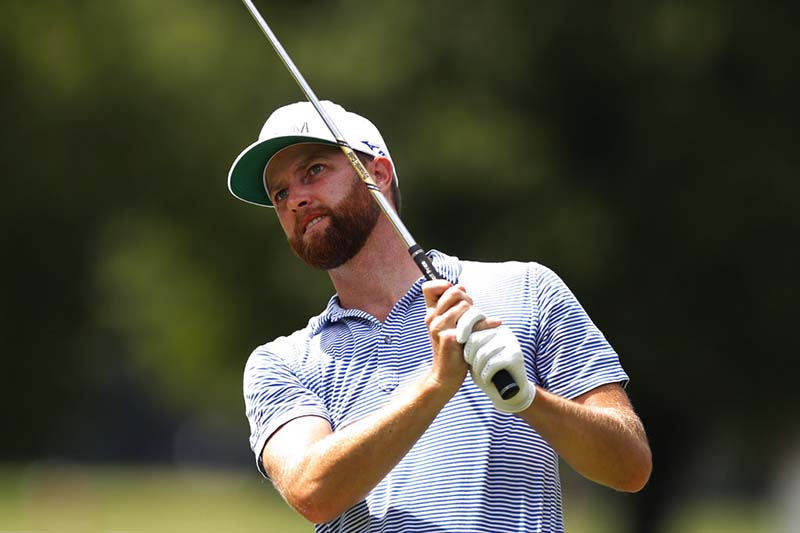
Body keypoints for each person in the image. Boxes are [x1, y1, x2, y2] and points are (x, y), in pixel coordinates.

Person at [228, 100, 652, 532]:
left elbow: (630, 466)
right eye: (280, 194)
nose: (296, 199)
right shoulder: (283, 362)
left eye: (314, 170)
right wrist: (436, 383)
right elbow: (312, 492)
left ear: (377, 173)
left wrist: (529, 401)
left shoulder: (525, 289)